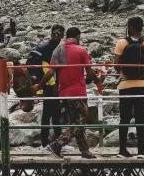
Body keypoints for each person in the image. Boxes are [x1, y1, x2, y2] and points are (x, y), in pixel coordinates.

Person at [31, 27, 99, 159]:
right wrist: (98, 80)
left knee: (76, 121)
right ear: (78, 37)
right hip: (78, 92)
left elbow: (50, 72)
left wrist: (39, 85)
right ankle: (58, 143)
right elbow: (90, 73)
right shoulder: (81, 50)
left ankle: (85, 151)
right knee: (80, 121)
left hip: (64, 93)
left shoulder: (58, 50)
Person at [114, 17, 144, 159]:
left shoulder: (121, 42)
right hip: (142, 84)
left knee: (124, 118)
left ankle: (122, 150)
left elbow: (116, 66)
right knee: (141, 118)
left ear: (129, 27)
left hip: (125, 84)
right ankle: (141, 150)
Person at [29, 25, 65, 153]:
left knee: (55, 115)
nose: (56, 35)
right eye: (54, 33)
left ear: (62, 35)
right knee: (47, 115)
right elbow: (46, 69)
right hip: (50, 86)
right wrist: (52, 85)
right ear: (51, 34)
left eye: (59, 34)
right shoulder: (48, 48)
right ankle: (45, 145)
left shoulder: (57, 48)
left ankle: (58, 143)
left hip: (55, 85)